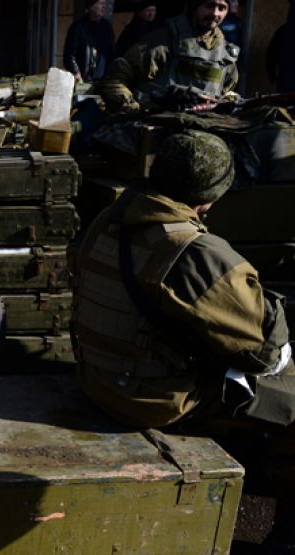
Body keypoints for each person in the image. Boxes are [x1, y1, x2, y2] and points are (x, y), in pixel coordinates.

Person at [70, 130, 295, 548]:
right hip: (149, 401)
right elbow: (266, 355)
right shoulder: (197, 253)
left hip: (97, 378)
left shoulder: (109, 218)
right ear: (211, 195)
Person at [98, 0, 239, 114]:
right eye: (209, 6)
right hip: (156, 126)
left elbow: (226, 92)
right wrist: (136, 110)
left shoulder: (225, 55)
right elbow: (114, 80)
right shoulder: (162, 42)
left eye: (222, 8)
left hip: (204, 127)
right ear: (195, 7)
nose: (215, 13)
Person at [63, 0, 115, 84]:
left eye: (104, 3)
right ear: (91, 6)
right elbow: (69, 55)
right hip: (83, 80)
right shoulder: (78, 28)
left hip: (103, 81)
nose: (104, 6)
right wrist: (76, 73)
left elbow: (111, 53)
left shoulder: (107, 27)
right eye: (100, 3)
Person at [267, 0, 295, 94]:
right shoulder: (283, 32)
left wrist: (272, 75)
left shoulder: (282, 31)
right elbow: (270, 54)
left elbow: (270, 54)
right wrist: (272, 74)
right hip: (285, 84)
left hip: (284, 83)